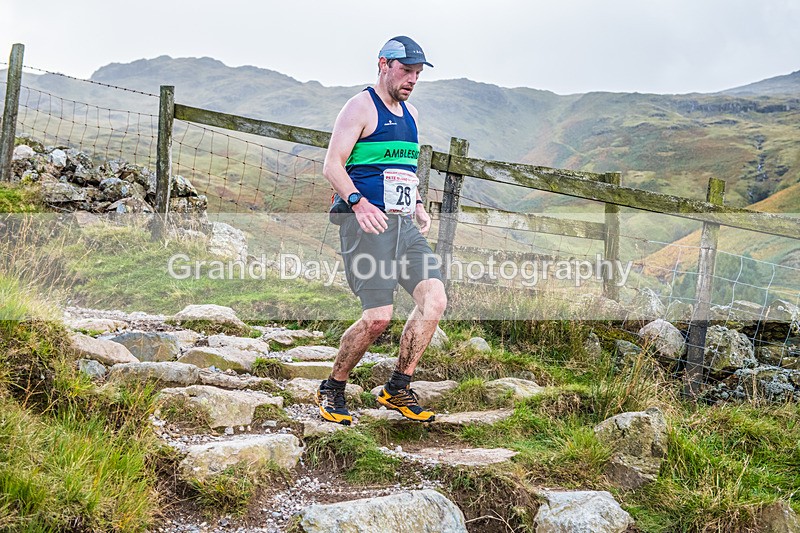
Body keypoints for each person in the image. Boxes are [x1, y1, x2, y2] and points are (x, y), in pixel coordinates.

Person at [317, 36, 447, 425]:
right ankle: (333, 387)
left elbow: (405, 170)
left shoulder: (413, 115)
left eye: (417, 74)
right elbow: (332, 166)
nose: (411, 80)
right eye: (406, 71)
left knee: (434, 300)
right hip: (366, 225)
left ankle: (396, 388)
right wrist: (358, 202)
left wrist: (418, 203)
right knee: (378, 318)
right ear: (383, 64)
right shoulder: (360, 107)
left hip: (403, 225)